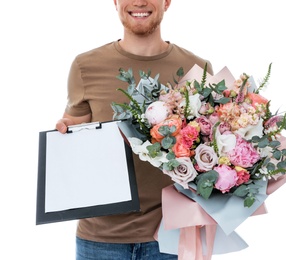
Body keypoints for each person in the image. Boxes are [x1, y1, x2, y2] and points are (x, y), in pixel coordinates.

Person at [55, 0, 213, 259]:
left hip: (172, 236)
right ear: (115, 2)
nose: (139, 1)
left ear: (167, 2)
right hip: (100, 239)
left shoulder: (199, 71)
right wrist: (66, 133)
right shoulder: (85, 66)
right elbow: (75, 125)